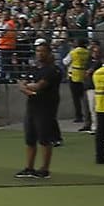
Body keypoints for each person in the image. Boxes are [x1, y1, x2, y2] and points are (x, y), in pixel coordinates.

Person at [17, 38, 62, 178]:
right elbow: (22, 84)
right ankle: (29, 167)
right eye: (37, 51)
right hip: (32, 106)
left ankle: (44, 169)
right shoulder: (34, 69)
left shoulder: (53, 70)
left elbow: (39, 86)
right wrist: (29, 89)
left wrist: (29, 88)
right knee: (30, 138)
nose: (39, 54)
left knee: (44, 138)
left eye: (42, 51)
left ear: (49, 53)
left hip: (46, 107)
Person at [66, 38, 93, 130]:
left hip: (73, 76)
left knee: (76, 98)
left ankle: (79, 116)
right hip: (84, 76)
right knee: (84, 99)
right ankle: (87, 116)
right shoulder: (87, 52)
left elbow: (65, 62)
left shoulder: (73, 52)